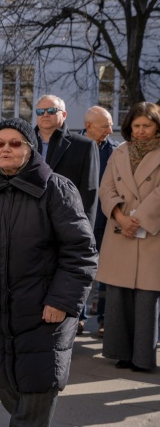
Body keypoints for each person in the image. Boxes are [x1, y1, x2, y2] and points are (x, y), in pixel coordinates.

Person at [0, 118, 97, 425]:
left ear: (30, 149)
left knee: (35, 400)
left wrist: (61, 301)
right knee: (7, 387)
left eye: (16, 144)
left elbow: (81, 251)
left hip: (44, 315)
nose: (6, 150)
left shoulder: (56, 188)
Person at [95, 102, 160, 373]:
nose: (141, 131)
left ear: (157, 126)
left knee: (146, 300)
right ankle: (120, 352)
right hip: (121, 231)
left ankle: (143, 358)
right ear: (129, 127)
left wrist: (139, 219)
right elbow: (106, 188)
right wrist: (121, 217)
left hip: (151, 235)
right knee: (118, 297)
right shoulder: (120, 152)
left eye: (147, 125)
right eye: (137, 126)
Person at [34, 95, 99, 227]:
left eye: (51, 110)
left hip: (66, 221)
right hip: (30, 221)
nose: (45, 114)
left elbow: (89, 192)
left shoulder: (84, 146)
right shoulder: (24, 144)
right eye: (40, 111)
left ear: (64, 114)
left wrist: (85, 230)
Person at [82, 106, 119, 338]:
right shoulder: (75, 148)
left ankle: (105, 320)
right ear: (89, 126)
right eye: (105, 125)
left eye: (110, 124)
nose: (110, 129)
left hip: (107, 221)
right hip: (82, 221)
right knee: (80, 271)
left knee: (107, 274)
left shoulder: (115, 152)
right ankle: (77, 318)